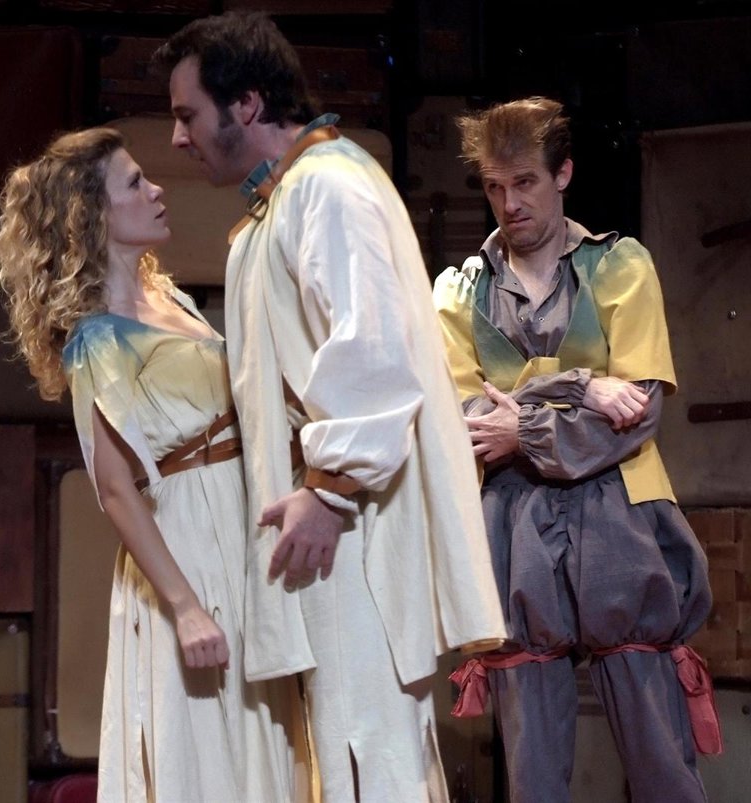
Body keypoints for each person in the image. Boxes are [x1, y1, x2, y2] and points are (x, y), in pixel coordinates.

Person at [153, 12, 507, 801]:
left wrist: (331, 488)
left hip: (352, 525)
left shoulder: (328, 186)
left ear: (246, 102)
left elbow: (371, 345)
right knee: (351, 751)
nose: (178, 138)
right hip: (329, 521)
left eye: (186, 115)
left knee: (369, 754)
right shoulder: (286, 199)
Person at [0, 128, 305, 802]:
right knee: (206, 748)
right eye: (135, 182)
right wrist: (186, 607)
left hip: (237, 521)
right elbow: (114, 487)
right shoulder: (97, 335)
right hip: (189, 539)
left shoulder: (168, 298)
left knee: (258, 738)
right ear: (92, 213)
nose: (157, 189)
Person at [433, 96, 719, 802]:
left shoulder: (618, 265)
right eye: (494, 186)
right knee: (532, 764)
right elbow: (467, 422)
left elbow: (637, 413)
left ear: (562, 174)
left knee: (658, 753)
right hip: (514, 521)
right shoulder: (459, 292)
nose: (509, 203)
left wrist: (523, 425)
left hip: (621, 512)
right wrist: (583, 384)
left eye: (524, 182)